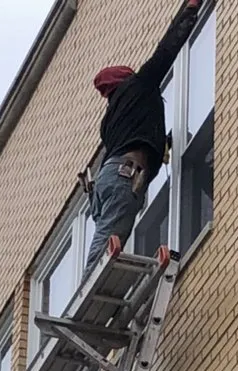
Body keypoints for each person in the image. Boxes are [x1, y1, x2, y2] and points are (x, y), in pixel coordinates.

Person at [84, 0, 200, 274]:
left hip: (108, 181)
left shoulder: (111, 118)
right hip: (124, 176)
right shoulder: (138, 86)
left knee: (108, 233)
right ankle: (87, 285)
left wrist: (161, 144)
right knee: (106, 242)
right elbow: (166, 50)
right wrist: (191, 9)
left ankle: (94, 282)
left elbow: (138, 135)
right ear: (126, 78)